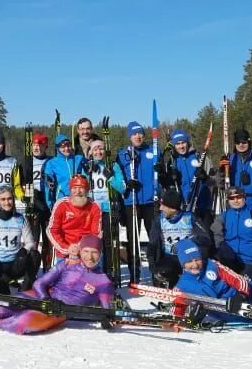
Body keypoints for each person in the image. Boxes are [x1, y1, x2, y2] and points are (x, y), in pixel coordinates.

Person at [0, 235, 115, 335]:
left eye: (94, 253)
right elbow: (40, 283)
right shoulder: (67, 264)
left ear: (100, 255)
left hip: (59, 312)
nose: (90, 257)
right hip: (40, 299)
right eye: (86, 251)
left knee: (23, 322)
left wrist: (107, 321)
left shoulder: (104, 281)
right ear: (80, 251)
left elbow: (108, 310)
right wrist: (45, 299)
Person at [115, 121, 158, 284]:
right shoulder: (122, 154)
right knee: (133, 240)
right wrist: (126, 186)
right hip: (131, 201)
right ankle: (134, 275)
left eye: (140, 133)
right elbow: (118, 177)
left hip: (149, 202)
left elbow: (161, 174)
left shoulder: (153, 152)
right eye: (134, 134)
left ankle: (156, 275)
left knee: (154, 239)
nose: (138, 136)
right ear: (129, 136)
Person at [0, 186, 39, 292]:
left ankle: (25, 289)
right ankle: (2, 282)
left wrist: (24, 250)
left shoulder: (21, 219)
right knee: (2, 302)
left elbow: (30, 242)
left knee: (35, 255)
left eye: (9, 199)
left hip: (15, 264)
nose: (7, 202)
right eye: (3, 199)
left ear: (13, 199)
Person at [84, 138, 124, 283]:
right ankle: (93, 273)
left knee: (109, 244)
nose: (98, 152)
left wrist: (111, 177)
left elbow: (122, 187)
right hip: (92, 211)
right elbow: (80, 188)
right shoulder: (87, 166)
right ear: (91, 152)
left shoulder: (113, 165)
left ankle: (110, 274)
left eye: (101, 148)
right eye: (95, 149)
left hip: (108, 210)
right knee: (93, 244)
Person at [146, 188, 204, 288]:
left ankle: (195, 285)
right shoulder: (159, 220)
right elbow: (152, 244)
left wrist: (183, 245)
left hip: (190, 259)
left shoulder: (190, 218)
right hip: (170, 258)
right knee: (163, 270)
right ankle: (170, 285)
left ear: (172, 208)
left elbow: (205, 238)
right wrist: (152, 266)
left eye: (163, 206)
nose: (160, 208)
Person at [209, 188, 252, 278]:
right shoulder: (223, 217)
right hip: (229, 261)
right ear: (228, 200)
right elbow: (216, 237)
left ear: (244, 197)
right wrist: (222, 250)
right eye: (232, 198)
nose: (235, 201)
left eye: (238, 197)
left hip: (250, 262)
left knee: (244, 287)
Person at [45, 174, 101, 264]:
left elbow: (95, 234)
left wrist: (81, 249)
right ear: (70, 189)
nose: (77, 191)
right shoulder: (61, 205)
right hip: (64, 252)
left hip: (86, 252)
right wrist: (67, 249)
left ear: (87, 190)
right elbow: (51, 230)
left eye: (81, 188)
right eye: (74, 188)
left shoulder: (94, 207)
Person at [158, 128, 210, 218]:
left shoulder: (199, 157)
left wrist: (204, 177)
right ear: (174, 145)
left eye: (183, 142)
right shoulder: (172, 161)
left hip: (201, 205)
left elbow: (213, 181)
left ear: (188, 142)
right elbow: (167, 187)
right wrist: (164, 176)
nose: (181, 146)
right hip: (182, 206)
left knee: (205, 231)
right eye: (178, 144)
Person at [44, 133, 86, 208]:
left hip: (79, 199)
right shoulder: (52, 163)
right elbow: (48, 186)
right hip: (62, 200)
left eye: (68, 145)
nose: (66, 149)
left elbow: (90, 166)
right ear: (57, 148)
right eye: (62, 147)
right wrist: (50, 203)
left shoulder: (78, 159)